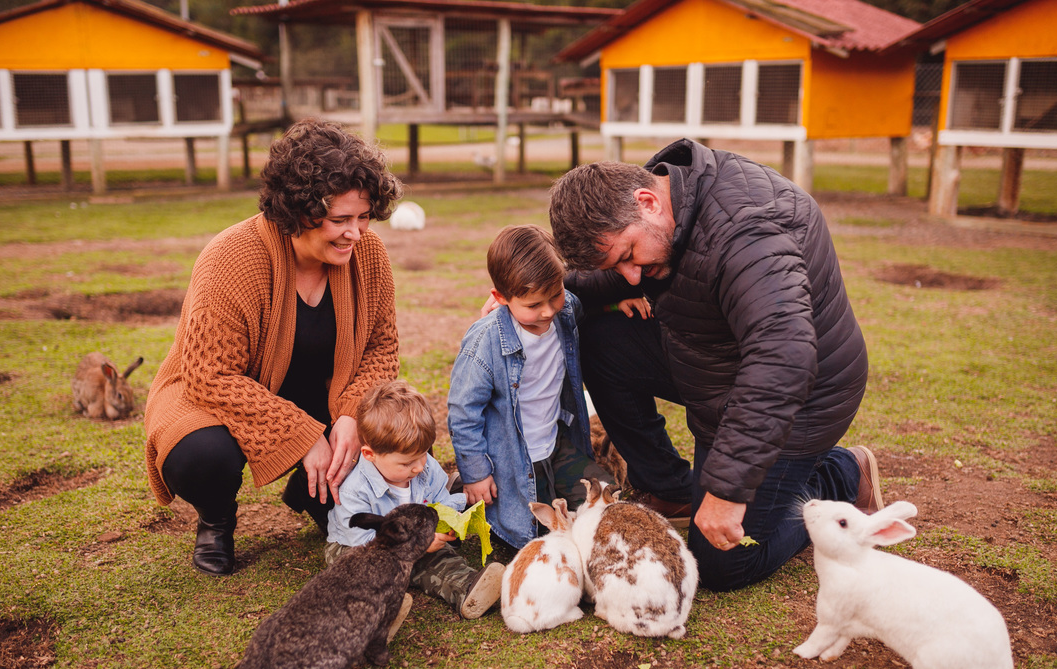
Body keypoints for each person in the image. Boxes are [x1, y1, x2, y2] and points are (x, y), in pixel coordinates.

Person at [549, 139, 884, 592]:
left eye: (628, 256)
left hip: (802, 394)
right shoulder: (662, 207)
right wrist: (533, 289)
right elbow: (604, 274)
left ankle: (843, 472)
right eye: (618, 262)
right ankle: (667, 487)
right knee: (602, 340)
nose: (630, 276)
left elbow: (783, 357)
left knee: (724, 563)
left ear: (647, 202)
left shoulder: (749, 234)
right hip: (715, 365)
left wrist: (727, 492)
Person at [144, 119, 402, 576]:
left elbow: (381, 350)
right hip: (217, 396)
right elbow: (210, 375)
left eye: (363, 217)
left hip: (322, 397)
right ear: (299, 211)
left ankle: (313, 489)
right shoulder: (232, 257)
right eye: (340, 220)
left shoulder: (369, 255)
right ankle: (216, 519)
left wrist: (348, 415)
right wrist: (301, 435)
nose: (356, 234)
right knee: (202, 456)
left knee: (384, 426)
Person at [447, 224, 619, 550]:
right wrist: (475, 473)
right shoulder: (485, 343)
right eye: (532, 305)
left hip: (556, 445)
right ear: (500, 298)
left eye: (554, 295)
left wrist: (616, 306)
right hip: (513, 463)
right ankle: (464, 490)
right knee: (544, 539)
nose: (547, 311)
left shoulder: (566, 310)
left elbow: (588, 305)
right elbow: (462, 410)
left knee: (607, 503)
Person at [327, 380, 504, 619]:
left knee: (441, 560)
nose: (419, 467)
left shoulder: (424, 466)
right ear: (370, 454)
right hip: (360, 549)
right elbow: (366, 544)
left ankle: (469, 588)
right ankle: (374, 616)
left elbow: (441, 499)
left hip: (414, 541)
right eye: (407, 463)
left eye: (423, 455)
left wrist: (447, 523)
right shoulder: (354, 492)